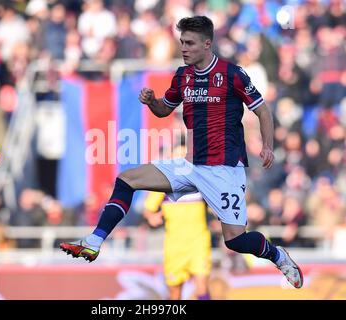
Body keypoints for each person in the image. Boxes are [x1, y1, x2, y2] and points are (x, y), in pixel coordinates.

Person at [60, 16, 303, 289]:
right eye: (181, 43)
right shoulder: (182, 76)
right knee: (127, 179)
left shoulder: (233, 74)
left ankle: (278, 255)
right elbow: (166, 108)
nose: (184, 48)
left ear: (207, 44)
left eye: (190, 43)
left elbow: (262, 109)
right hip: (190, 164)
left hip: (223, 169)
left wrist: (268, 145)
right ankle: (94, 241)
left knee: (235, 240)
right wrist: (153, 102)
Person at [143, 142, 212, 300]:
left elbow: (215, 203)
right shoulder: (164, 183)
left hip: (198, 241)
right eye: (178, 156)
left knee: (202, 288)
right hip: (174, 245)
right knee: (175, 293)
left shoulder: (200, 181)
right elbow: (148, 209)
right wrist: (151, 217)